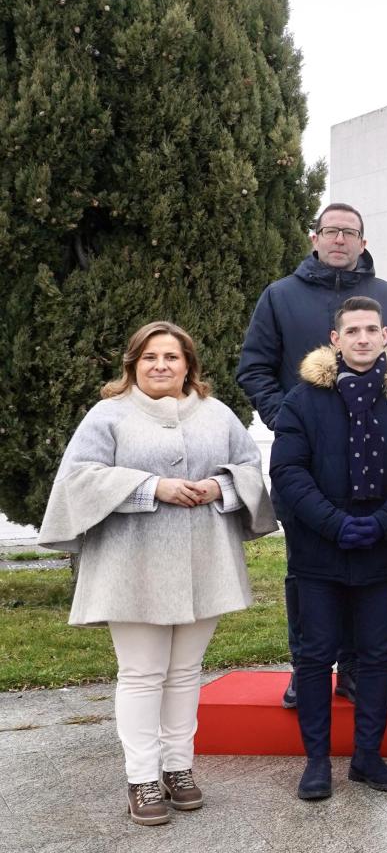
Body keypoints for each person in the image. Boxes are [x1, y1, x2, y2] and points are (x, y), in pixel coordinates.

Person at [38, 322, 276, 826]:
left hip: (204, 564)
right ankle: (142, 777)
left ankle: (179, 768)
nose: (161, 365)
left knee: (187, 673)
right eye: (150, 357)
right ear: (133, 364)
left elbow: (250, 468)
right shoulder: (110, 414)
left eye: (172, 356)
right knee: (143, 674)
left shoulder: (217, 415)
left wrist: (219, 487)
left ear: (189, 364)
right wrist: (152, 487)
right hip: (131, 566)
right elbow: (79, 477)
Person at [237, 201, 387, 709]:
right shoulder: (280, 296)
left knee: (374, 574)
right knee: (306, 574)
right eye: (330, 231)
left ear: (363, 241)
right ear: (314, 238)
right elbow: (254, 368)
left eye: (350, 232)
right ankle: (307, 667)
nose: (339, 239)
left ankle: (357, 668)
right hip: (309, 467)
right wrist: (290, 418)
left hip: (376, 464)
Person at [270, 296, 387, 801]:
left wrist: (382, 524)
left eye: (370, 330)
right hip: (319, 551)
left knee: (377, 655)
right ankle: (316, 761)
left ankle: (367, 757)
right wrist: (335, 524)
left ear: (384, 337)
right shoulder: (302, 400)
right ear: (335, 340)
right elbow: (288, 472)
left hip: (381, 546)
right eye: (351, 330)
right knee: (315, 657)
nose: (362, 338)